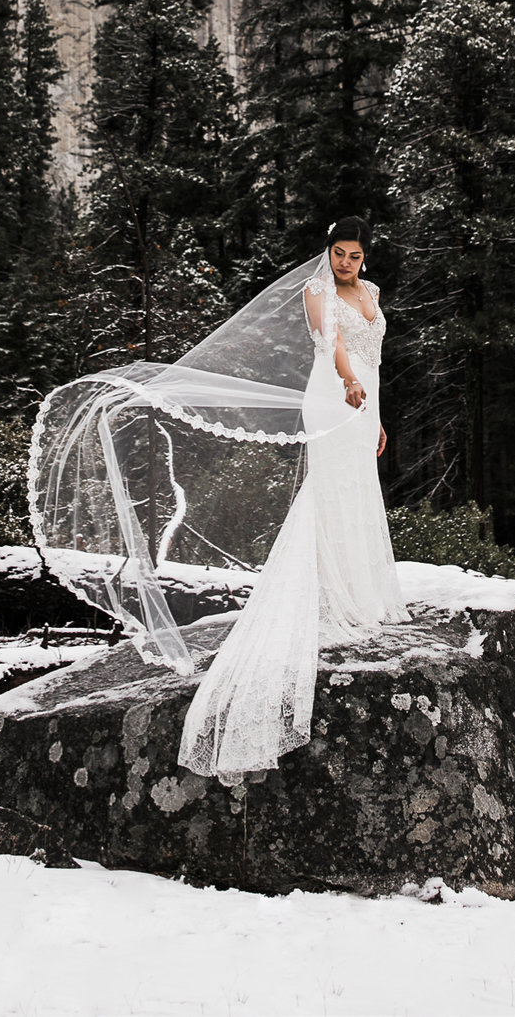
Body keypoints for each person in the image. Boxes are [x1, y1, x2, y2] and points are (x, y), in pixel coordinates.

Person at [176, 218, 409, 778]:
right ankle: (325, 593)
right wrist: (350, 386)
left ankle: (360, 591)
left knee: (358, 489)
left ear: (365, 259)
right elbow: (332, 346)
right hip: (332, 395)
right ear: (327, 253)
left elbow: (375, 359)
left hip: (364, 399)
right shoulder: (317, 290)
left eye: (354, 256)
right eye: (337, 253)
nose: (345, 263)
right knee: (329, 490)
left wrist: (375, 413)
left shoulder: (371, 294)